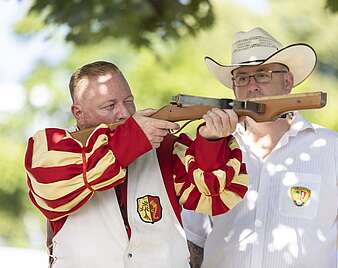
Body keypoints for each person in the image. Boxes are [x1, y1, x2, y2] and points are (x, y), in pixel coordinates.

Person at [24, 61, 249, 268]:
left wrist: (212, 140)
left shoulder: (164, 148)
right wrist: (132, 141)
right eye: (109, 105)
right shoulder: (58, 151)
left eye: (128, 101)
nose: (124, 112)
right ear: (79, 113)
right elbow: (49, 186)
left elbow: (211, 194)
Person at [183, 27, 338, 268]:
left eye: (263, 75)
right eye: (242, 77)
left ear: (288, 81)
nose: (252, 86)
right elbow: (193, 239)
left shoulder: (331, 148)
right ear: (234, 88)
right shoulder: (209, 147)